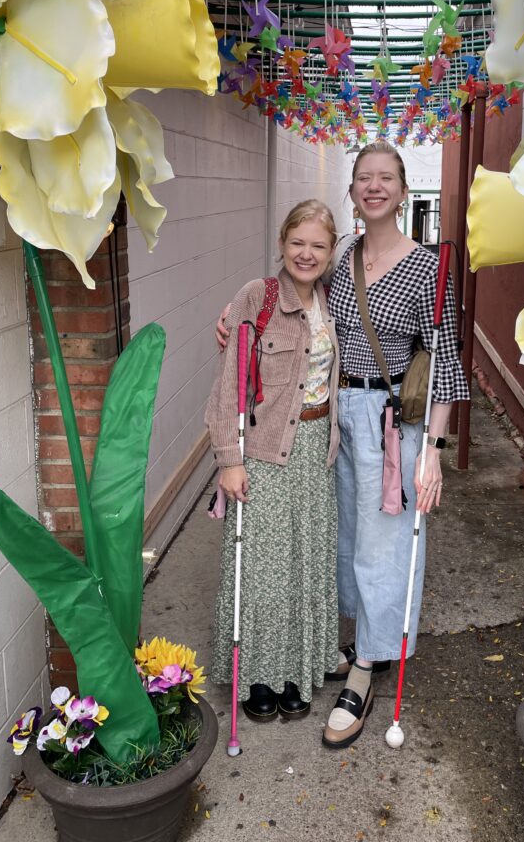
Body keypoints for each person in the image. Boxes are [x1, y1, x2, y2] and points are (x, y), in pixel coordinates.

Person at [216, 142, 468, 748]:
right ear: (352, 191)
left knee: (384, 547)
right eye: (364, 178)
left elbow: (443, 366)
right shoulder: (343, 256)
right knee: (346, 539)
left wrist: (431, 449)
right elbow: (288, 299)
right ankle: (356, 638)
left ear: (404, 191)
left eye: (387, 178)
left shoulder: (427, 268)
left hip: (388, 421)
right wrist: (236, 311)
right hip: (333, 418)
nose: (374, 187)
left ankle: (366, 670)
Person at [205, 199, 340, 723]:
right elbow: (228, 388)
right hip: (262, 452)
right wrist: (228, 460)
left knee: (304, 563)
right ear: (282, 243)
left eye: (318, 245)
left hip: (315, 449)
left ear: (331, 253)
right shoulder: (255, 298)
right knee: (259, 566)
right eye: (297, 242)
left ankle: (295, 672)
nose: (307, 254)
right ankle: (258, 675)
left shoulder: (331, 302)